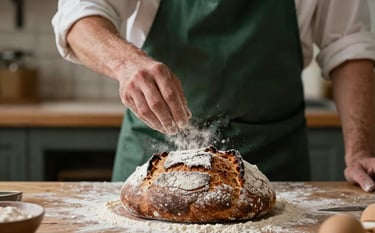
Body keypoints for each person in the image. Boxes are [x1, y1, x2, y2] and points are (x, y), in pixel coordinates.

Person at [52, 0, 375, 191]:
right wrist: (126, 64)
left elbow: (349, 44)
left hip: (275, 164)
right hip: (157, 163)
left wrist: (360, 149)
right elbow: (79, 15)